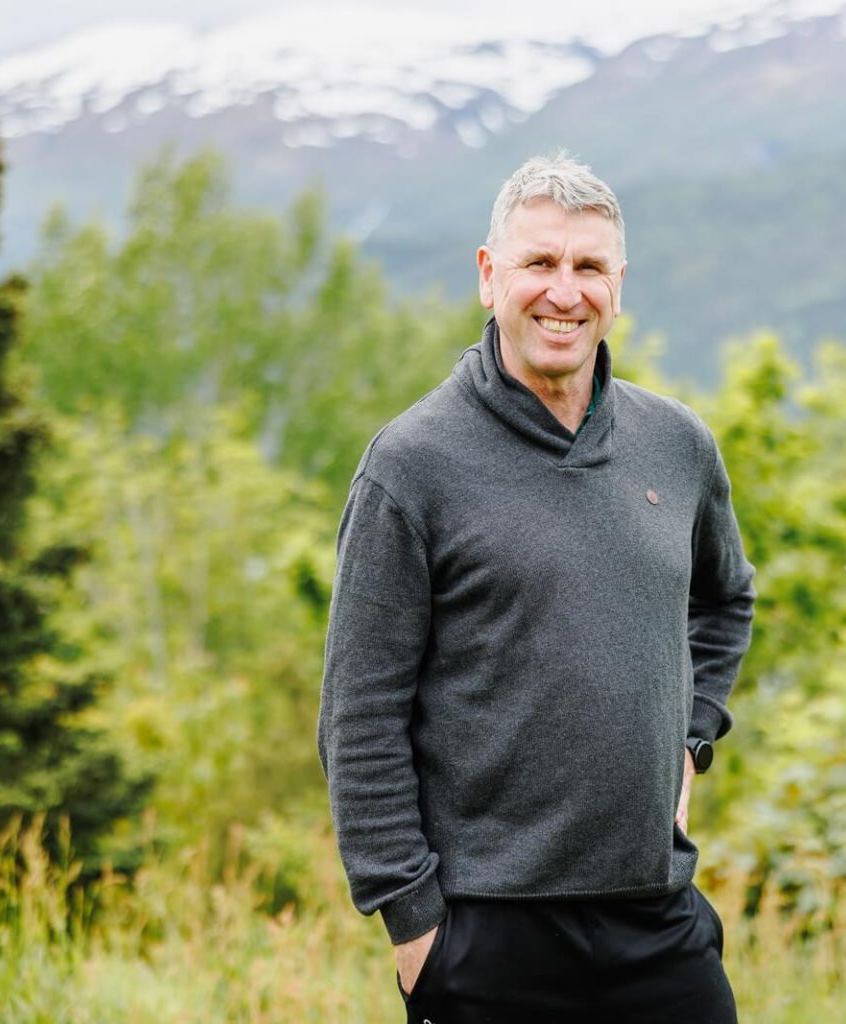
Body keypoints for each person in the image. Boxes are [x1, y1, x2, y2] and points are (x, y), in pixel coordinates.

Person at [317, 152, 756, 1023]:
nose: (565, 291)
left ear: (618, 284)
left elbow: (725, 599)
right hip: (487, 937)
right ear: (490, 276)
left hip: (656, 913)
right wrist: (415, 928)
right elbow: (358, 717)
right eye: (540, 262)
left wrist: (690, 736)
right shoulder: (411, 466)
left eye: (589, 266)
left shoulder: (676, 445)